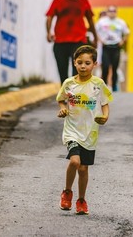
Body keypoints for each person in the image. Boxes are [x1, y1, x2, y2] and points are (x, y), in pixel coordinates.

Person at [57, 45, 113, 215]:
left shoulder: (98, 84)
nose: (83, 66)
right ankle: (67, 192)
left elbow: (105, 104)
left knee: (83, 169)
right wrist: (63, 108)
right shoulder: (68, 83)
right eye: (79, 62)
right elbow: (61, 100)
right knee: (75, 162)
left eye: (87, 63)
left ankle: (81, 200)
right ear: (74, 63)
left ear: (94, 64)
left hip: (90, 133)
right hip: (72, 130)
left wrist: (105, 117)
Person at [46, 0, 98, 83]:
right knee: (62, 69)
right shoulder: (58, 0)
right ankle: (65, 93)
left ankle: (75, 96)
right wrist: (48, 32)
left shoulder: (83, 1)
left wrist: (95, 37)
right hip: (60, 40)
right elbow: (50, 16)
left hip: (78, 41)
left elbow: (90, 20)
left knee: (78, 70)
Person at [95, 5, 130, 92]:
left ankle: (114, 86)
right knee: (105, 67)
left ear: (116, 12)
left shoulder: (120, 22)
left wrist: (122, 41)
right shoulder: (102, 22)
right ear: (107, 12)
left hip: (116, 47)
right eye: (110, 11)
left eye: (114, 11)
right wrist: (100, 40)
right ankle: (105, 85)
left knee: (115, 67)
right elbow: (95, 31)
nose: (112, 13)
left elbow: (127, 33)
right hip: (106, 46)